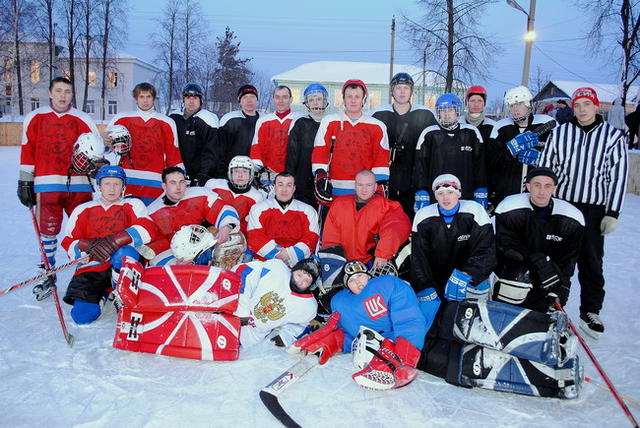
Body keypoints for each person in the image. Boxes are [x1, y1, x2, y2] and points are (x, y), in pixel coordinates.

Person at [539, 87, 628, 338]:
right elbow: (547, 166)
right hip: (563, 206)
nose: (581, 110)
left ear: (596, 106)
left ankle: (590, 310)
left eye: (586, 105)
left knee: (590, 260)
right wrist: (545, 200)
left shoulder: (612, 136)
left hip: (593, 208)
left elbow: (618, 176)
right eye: (577, 105)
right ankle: (552, 305)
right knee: (556, 258)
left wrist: (613, 212)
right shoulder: (561, 132)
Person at [289, 260, 436, 391]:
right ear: (347, 287)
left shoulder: (387, 285)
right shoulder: (342, 302)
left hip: (422, 335)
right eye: (352, 280)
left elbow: (408, 319)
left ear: (369, 276)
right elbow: (351, 334)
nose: (358, 281)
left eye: (360, 275)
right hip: (380, 344)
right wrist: (332, 342)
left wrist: (405, 358)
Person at [18, 76, 101, 301]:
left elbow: (96, 150)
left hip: (80, 184)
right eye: (59, 90)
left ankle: (86, 273)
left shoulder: (83, 119)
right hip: (47, 184)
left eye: (67, 91)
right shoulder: (35, 117)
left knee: (84, 230)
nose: (63, 95)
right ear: (50, 92)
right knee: (49, 230)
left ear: (72, 95)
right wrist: (25, 180)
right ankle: (49, 270)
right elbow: (28, 149)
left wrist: (97, 168)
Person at [60, 165, 156, 325]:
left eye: (117, 184)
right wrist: (86, 246)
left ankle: (121, 292)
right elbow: (69, 242)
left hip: (122, 266)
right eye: (107, 184)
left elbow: (148, 229)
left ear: (123, 186)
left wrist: (114, 241)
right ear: (99, 186)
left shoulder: (132, 204)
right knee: (82, 316)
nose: (112, 188)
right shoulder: (83, 209)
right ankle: (105, 292)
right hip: (93, 268)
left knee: (124, 253)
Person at [493, 168, 585, 313]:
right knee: (518, 277)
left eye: (547, 186)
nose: (542, 191)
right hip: (516, 273)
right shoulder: (510, 208)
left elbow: (568, 260)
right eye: (537, 185)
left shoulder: (572, 218)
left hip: (550, 278)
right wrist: (538, 261)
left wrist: (560, 288)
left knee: (546, 310)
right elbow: (506, 245)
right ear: (528, 186)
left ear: (554, 188)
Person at [411, 173, 495, 301]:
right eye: (440, 194)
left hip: (467, 278)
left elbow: (487, 251)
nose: (445, 198)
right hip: (437, 279)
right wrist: (424, 286)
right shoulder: (423, 217)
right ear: (435, 196)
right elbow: (419, 259)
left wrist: (468, 274)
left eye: (450, 192)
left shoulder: (475, 211)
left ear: (459, 193)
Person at [371, 72, 437, 217]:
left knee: (414, 221)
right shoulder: (378, 115)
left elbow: (436, 147)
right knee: (386, 221)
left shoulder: (425, 115)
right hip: (387, 180)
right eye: (398, 88)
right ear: (392, 91)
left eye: (406, 88)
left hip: (415, 180)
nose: (402, 92)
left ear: (411, 91)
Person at [311, 79, 389, 202]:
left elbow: (380, 159)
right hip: (334, 190)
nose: (353, 100)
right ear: (343, 99)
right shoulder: (329, 122)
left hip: (364, 193)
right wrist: (320, 177)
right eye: (349, 96)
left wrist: (379, 185)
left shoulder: (377, 126)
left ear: (364, 99)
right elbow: (320, 153)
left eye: (357, 96)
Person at [144, 166, 240, 266]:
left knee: (234, 241)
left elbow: (223, 207)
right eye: (173, 183)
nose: (178, 187)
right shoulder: (151, 213)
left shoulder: (200, 194)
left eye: (181, 182)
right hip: (177, 259)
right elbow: (153, 248)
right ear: (164, 186)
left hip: (204, 247)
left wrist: (227, 226)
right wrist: (173, 264)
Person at [107, 82, 184, 205]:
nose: (145, 100)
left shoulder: (166, 122)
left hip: (154, 180)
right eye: (141, 97)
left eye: (148, 96)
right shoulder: (121, 119)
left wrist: (179, 177)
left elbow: (173, 153)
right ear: (136, 98)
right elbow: (108, 150)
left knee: (151, 219)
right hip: (128, 179)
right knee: (127, 217)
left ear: (154, 98)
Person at [413, 93, 487, 211]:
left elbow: (480, 165)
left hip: (465, 194)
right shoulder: (429, 133)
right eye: (443, 110)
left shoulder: (471, 133)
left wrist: (481, 189)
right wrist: (421, 190)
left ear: (457, 111)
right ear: (438, 112)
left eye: (450, 110)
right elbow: (420, 166)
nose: (446, 114)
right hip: (437, 196)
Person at [322, 170, 411, 269]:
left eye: (369, 185)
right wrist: (331, 263)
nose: (364, 190)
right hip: (343, 265)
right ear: (355, 186)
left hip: (371, 265)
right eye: (360, 185)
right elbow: (330, 239)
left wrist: (383, 253)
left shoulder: (388, 206)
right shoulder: (339, 204)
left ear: (376, 186)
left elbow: (395, 228)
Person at [486, 86, 556, 208]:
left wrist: (541, 160)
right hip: (506, 194)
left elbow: (560, 157)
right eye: (512, 105)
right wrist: (510, 150)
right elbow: (490, 161)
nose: (515, 109)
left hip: (537, 196)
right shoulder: (501, 127)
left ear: (528, 104)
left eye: (519, 104)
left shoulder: (546, 124)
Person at [233, 257, 320, 348]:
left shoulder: (308, 306)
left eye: (306, 281)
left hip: (248, 340)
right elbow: (244, 271)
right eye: (299, 275)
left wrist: (285, 337)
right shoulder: (276, 269)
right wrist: (241, 311)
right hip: (228, 315)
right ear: (293, 270)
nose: (300, 282)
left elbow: (302, 324)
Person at [247, 172, 319, 267]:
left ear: (294, 188)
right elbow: (255, 237)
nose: (284, 189)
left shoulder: (308, 210)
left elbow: (311, 238)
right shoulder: (258, 208)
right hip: (263, 263)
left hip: (296, 265)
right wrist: (278, 255)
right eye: (280, 185)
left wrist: (289, 254)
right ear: (274, 187)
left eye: (289, 185)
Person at [286, 83, 329, 207]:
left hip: (326, 181)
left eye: (319, 99)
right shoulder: (300, 124)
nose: (315, 103)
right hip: (303, 182)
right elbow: (292, 155)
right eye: (311, 100)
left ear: (325, 101)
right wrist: (290, 180)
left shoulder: (332, 122)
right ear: (307, 103)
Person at [169, 83, 221, 185]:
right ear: (183, 99)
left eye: (195, 98)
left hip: (199, 176)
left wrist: (203, 175)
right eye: (188, 97)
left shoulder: (207, 119)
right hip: (176, 173)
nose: (191, 101)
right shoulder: (174, 118)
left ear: (200, 100)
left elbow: (211, 152)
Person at [205, 156, 264, 236]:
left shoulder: (257, 197)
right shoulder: (213, 185)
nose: (240, 175)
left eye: (245, 172)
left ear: (251, 174)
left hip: (235, 235)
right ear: (230, 173)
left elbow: (250, 225)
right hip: (209, 231)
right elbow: (203, 211)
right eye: (236, 171)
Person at [250, 85, 301, 175]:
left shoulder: (300, 119)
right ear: (273, 99)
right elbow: (256, 147)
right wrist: (259, 169)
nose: (280, 101)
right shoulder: (263, 121)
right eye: (277, 97)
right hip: (268, 174)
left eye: (284, 97)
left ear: (291, 99)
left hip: (293, 174)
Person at [219, 85, 260, 172]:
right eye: (245, 97)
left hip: (257, 170)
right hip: (234, 170)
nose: (249, 100)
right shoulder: (230, 119)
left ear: (257, 100)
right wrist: (221, 172)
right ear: (240, 101)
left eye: (252, 96)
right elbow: (220, 150)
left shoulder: (264, 121)